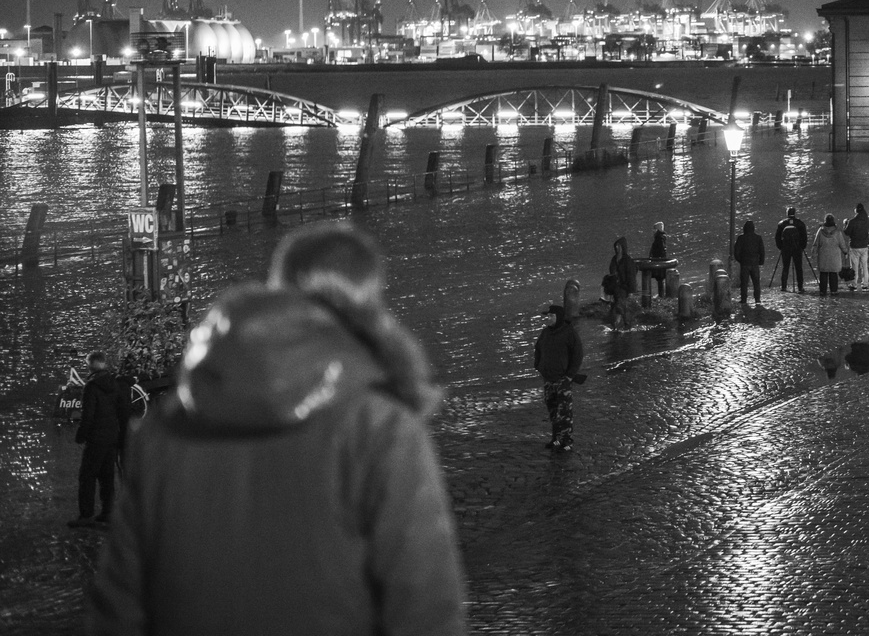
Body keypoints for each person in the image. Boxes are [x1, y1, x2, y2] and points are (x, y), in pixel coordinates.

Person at [89, 223, 466, 634]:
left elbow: (119, 600)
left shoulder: (170, 425)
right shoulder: (379, 424)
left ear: (277, 289)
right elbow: (424, 598)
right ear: (369, 299)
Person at [70, 351, 130, 529]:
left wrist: (81, 435)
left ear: (90, 365)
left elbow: (88, 415)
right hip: (112, 436)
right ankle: (108, 512)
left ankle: (86, 515)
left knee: (87, 476)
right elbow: (122, 411)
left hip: (96, 437)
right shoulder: (115, 383)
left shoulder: (91, 386)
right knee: (107, 476)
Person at [535, 301, 585, 451]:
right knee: (552, 411)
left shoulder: (569, 333)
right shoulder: (545, 333)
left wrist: (569, 376)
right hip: (548, 379)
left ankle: (567, 441)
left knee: (564, 413)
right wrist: (538, 366)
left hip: (562, 379)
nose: (548, 318)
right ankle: (556, 439)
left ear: (558, 317)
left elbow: (578, 355)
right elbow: (538, 349)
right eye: (548, 316)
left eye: (551, 316)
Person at [605, 236, 638, 329]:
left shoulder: (627, 261)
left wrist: (631, 291)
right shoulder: (614, 259)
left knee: (621, 307)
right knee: (616, 306)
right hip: (615, 288)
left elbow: (631, 277)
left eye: (619, 246)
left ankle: (624, 325)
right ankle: (617, 324)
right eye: (616, 246)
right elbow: (611, 274)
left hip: (624, 288)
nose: (617, 248)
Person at [774, 208, 808, 293]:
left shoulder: (782, 224)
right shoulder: (800, 223)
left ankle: (784, 287)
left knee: (785, 267)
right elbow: (804, 237)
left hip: (785, 249)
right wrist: (802, 247)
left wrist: (781, 247)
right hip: (797, 249)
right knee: (799, 268)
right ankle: (800, 287)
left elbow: (777, 238)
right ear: (794, 213)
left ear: (787, 213)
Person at [813, 213, 846, 297]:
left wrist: (814, 253)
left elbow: (816, 244)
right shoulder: (838, 232)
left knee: (823, 274)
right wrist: (845, 252)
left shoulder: (820, 231)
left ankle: (823, 291)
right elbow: (842, 244)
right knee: (833, 273)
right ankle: (834, 291)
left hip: (823, 256)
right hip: (834, 257)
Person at [733, 220, 765, 306]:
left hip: (745, 263)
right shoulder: (758, 238)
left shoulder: (741, 238)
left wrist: (741, 260)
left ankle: (744, 300)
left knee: (744, 283)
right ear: (753, 228)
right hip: (755, 263)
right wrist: (761, 261)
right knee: (756, 282)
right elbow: (762, 251)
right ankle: (757, 299)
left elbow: (736, 252)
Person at [844, 203, 869, 291]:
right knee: (864, 266)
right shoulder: (866, 220)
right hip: (864, 246)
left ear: (856, 210)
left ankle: (854, 284)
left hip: (854, 247)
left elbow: (847, 232)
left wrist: (845, 224)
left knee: (854, 267)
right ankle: (865, 284)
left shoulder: (852, 221)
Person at [647, 221, 670, 296]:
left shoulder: (659, 238)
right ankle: (661, 294)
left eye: (654, 229)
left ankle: (661, 295)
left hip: (658, 261)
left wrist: (655, 258)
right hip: (660, 261)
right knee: (660, 279)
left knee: (660, 279)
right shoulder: (661, 238)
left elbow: (659, 250)